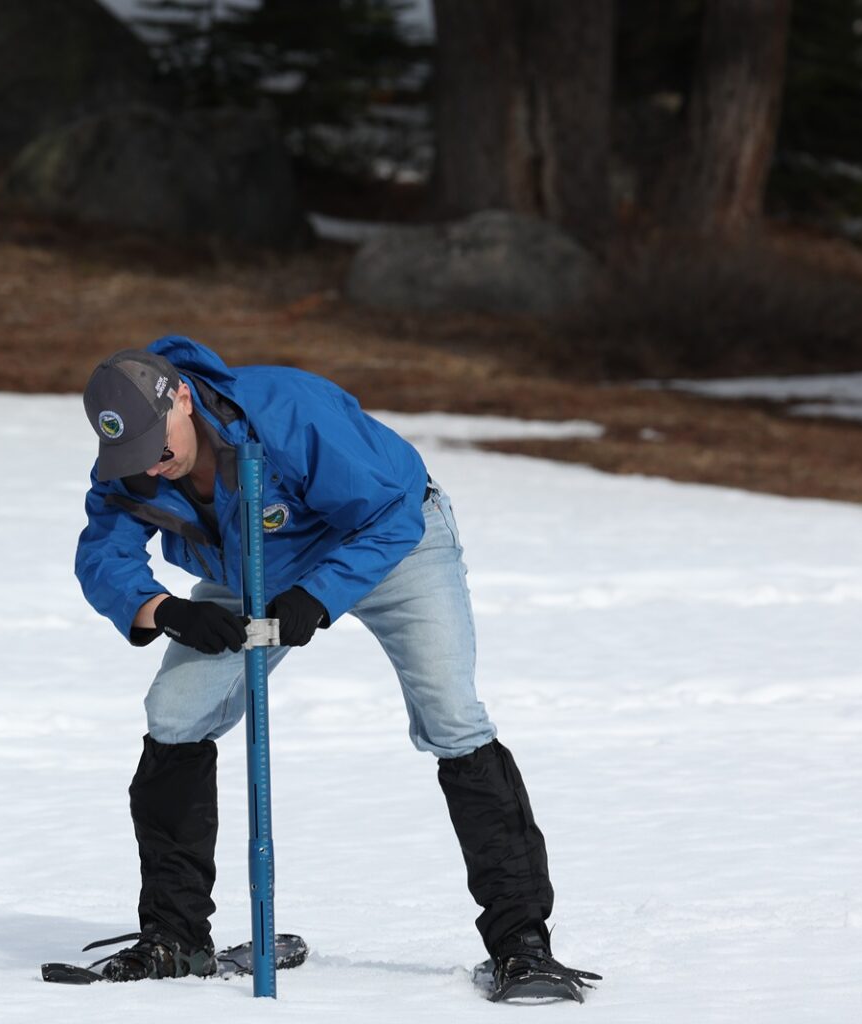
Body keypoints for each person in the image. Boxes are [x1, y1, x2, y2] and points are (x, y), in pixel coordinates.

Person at [71, 337, 599, 1000]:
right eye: (130, 452)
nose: (150, 462)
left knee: (451, 716)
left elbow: (388, 514)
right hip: (257, 573)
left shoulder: (287, 413)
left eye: (157, 439)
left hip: (393, 544)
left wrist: (318, 598)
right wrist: (163, 611)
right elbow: (102, 559)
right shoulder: (130, 463)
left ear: (181, 397)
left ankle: (522, 945)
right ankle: (175, 937)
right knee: (174, 716)